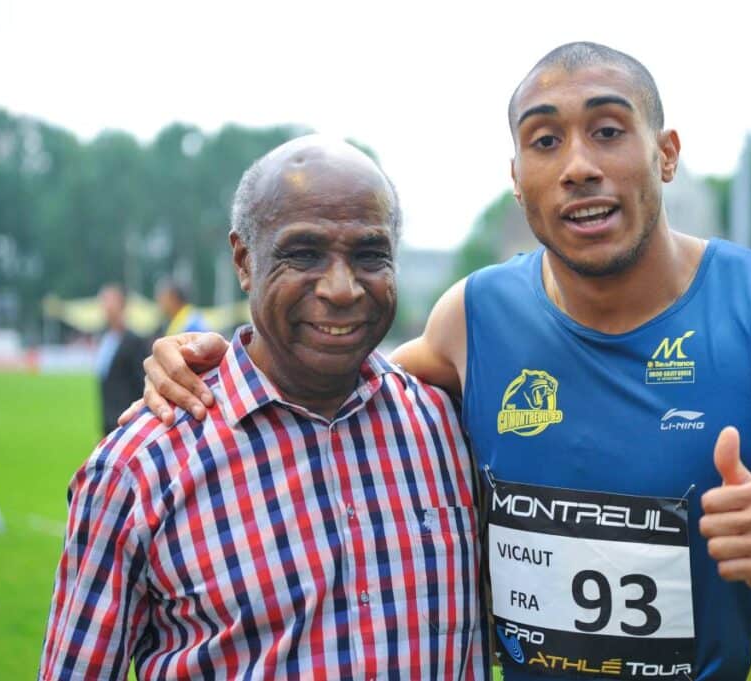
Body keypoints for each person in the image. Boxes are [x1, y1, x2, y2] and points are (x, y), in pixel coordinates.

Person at [130, 43, 751, 680]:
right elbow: (324, 388)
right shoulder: (473, 322)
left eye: (609, 129)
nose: (578, 162)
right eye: (545, 140)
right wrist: (206, 357)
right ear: (519, 181)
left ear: (666, 153)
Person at [40, 137, 486, 680]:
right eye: (304, 254)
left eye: (370, 255)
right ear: (244, 261)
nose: (342, 288)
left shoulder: (452, 431)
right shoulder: (139, 471)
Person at [94, 284, 148, 437]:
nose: (106, 306)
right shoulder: (105, 339)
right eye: (103, 301)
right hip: (107, 421)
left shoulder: (134, 341)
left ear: (122, 305)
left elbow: (142, 384)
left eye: (110, 301)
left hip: (127, 422)